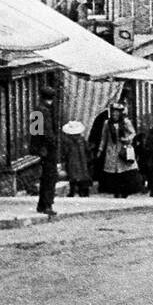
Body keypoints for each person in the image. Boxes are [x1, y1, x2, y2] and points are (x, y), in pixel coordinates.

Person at [92, 102, 141, 197]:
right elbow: (104, 138)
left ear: (120, 113)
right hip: (111, 150)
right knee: (114, 172)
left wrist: (127, 139)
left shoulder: (126, 122)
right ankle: (116, 191)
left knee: (124, 171)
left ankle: (125, 191)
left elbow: (133, 133)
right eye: (113, 112)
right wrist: (100, 150)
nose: (115, 114)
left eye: (117, 112)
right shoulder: (107, 123)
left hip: (123, 149)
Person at [28, 86, 60, 216]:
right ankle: (47, 204)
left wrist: (37, 147)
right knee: (50, 177)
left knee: (44, 177)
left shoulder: (36, 111)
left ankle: (41, 204)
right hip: (48, 150)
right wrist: (52, 145)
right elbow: (48, 133)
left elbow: (34, 132)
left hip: (40, 149)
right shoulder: (46, 111)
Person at [61, 119, 92, 197]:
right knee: (83, 177)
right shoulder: (82, 140)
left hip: (72, 162)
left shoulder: (67, 141)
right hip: (82, 162)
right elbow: (87, 150)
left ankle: (72, 192)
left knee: (72, 177)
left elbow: (65, 152)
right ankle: (83, 192)